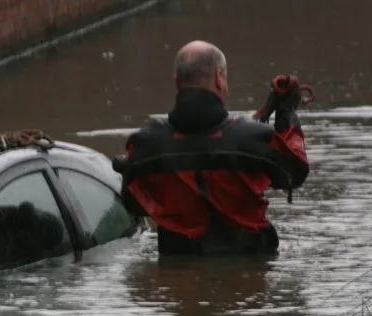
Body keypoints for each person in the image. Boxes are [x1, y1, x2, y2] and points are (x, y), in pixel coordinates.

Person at [114, 40, 310, 256]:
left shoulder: (146, 145)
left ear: (177, 81)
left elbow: (134, 204)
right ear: (219, 78)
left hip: (179, 274)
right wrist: (287, 113)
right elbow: (295, 171)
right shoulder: (252, 141)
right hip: (248, 275)